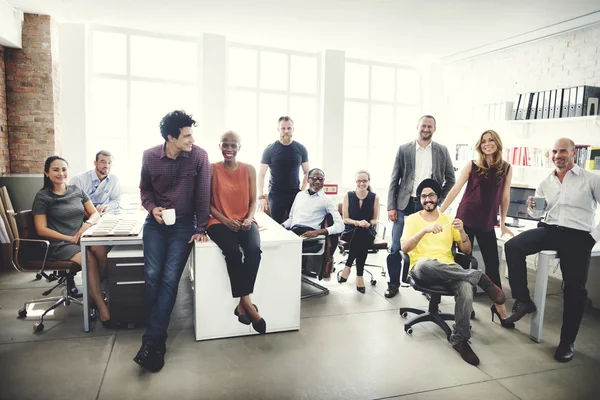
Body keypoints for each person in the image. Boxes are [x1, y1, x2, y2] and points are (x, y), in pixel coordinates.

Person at [503, 137, 600, 363]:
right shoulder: (546, 182)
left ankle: (567, 342)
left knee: (574, 290)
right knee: (513, 246)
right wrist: (532, 209)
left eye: (563, 151)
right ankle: (523, 300)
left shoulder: (591, 180)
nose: (558, 155)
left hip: (578, 235)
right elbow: (539, 214)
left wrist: (593, 238)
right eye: (555, 151)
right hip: (550, 229)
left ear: (573, 153)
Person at [134, 110, 211, 373]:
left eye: (192, 134)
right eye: (187, 135)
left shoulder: (199, 156)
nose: (192, 139)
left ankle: (153, 341)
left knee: (169, 278)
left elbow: (203, 195)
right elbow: (144, 189)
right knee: (153, 275)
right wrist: (151, 207)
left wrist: (201, 227)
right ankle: (158, 336)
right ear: (170, 137)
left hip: (184, 224)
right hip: (156, 222)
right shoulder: (149, 157)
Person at [401, 178, 505, 366]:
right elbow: (405, 249)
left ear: (438, 197)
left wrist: (463, 232)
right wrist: (424, 230)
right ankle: (479, 277)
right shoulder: (412, 220)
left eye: (431, 194)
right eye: (423, 196)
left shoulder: (449, 221)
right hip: (422, 268)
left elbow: (466, 251)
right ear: (420, 199)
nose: (427, 199)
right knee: (426, 264)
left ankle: (460, 340)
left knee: (465, 287)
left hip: (450, 269)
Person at [439, 130, 514, 327]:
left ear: (497, 143)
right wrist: (441, 212)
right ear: (479, 145)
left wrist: (503, 222)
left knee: (492, 263)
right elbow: (455, 189)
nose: (487, 144)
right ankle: (465, 303)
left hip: (487, 220)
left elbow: (505, 197)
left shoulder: (506, 168)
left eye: (491, 140)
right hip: (466, 217)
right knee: (464, 261)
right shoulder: (472, 165)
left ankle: (499, 308)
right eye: (483, 141)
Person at [32, 156, 110, 325]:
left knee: (102, 250)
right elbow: (41, 229)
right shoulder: (43, 197)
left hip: (80, 237)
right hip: (59, 244)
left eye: (64, 169)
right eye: (55, 169)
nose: (61, 173)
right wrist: (69, 238)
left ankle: (93, 292)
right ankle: (101, 304)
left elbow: (95, 213)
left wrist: (86, 225)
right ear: (46, 173)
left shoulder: (76, 190)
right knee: (89, 259)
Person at [385, 115, 455, 298]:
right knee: (396, 246)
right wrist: (391, 206)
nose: (426, 129)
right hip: (405, 203)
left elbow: (451, 179)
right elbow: (395, 179)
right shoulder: (404, 149)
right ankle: (393, 284)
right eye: (423, 126)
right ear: (417, 126)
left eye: (430, 126)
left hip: (429, 205)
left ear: (435, 129)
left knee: (427, 245)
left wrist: (439, 200)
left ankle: (427, 286)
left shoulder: (442, 150)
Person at [206, 131, 265, 334]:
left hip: (245, 220)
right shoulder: (212, 169)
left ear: (239, 147)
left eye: (233, 145)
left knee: (254, 250)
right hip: (218, 221)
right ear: (219, 146)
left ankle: (242, 303)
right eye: (225, 145)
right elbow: (206, 203)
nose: (229, 149)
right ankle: (247, 304)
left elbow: (253, 200)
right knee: (232, 252)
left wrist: (248, 218)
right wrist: (225, 220)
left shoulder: (249, 169)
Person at [283, 168, 344, 277]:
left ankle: (289, 278)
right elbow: (292, 219)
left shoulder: (327, 200)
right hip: (293, 233)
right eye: (314, 179)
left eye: (321, 179)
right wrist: (281, 226)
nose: (317, 182)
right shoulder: (300, 195)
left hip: (309, 237)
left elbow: (340, 226)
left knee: (279, 247)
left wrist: (318, 232)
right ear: (308, 179)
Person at [258, 116, 310, 223]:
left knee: (295, 225)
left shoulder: (301, 149)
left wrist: (302, 191)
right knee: (276, 225)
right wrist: (261, 196)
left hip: (294, 194)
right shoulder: (269, 149)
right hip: (276, 194)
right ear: (278, 129)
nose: (286, 131)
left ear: (293, 129)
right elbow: (261, 174)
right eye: (283, 128)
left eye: (289, 128)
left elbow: (307, 172)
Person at [338, 170, 380, 293]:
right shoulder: (348, 195)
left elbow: (374, 220)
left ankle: (348, 266)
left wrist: (367, 223)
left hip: (367, 231)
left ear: (368, 182)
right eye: (359, 181)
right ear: (356, 182)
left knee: (362, 232)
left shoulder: (374, 197)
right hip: (350, 231)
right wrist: (357, 222)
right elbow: (345, 219)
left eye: (364, 181)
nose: (362, 183)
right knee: (359, 232)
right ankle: (359, 276)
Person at [70, 150, 121, 214]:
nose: (107, 166)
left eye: (109, 163)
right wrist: (93, 214)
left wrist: (106, 206)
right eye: (103, 162)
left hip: (103, 214)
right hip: (83, 215)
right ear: (95, 163)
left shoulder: (114, 179)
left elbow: (116, 200)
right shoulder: (78, 179)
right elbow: (74, 204)